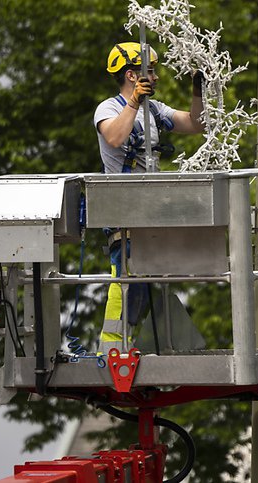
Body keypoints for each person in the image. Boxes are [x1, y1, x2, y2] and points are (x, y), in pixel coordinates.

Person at [93, 41, 205, 353]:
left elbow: (196, 124)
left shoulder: (154, 109)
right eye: (149, 72)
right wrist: (133, 104)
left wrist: (199, 91)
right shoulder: (110, 109)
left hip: (150, 212)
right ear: (131, 75)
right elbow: (115, 137)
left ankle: (127, 344)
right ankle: (111, 350)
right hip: (124, 212)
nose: (155, 78)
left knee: (142, 286)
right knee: (126, 280)